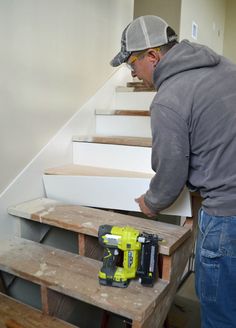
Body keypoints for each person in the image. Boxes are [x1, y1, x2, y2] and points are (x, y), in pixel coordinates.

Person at [110, 15, 236, 328]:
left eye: (132, 63)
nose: (134, 73)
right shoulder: (225, 68)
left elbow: (170, 175)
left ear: (152, 55)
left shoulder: (168, 99)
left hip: (228, 217)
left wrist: (151, 203)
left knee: (222, 317)